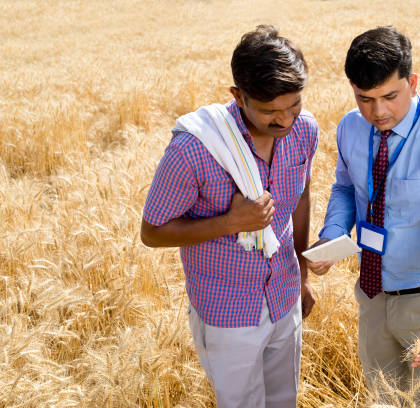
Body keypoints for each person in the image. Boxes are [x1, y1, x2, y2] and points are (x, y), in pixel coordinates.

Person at [140, 25, 318, 408]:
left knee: (285, 399)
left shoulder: (304, 131)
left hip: (284, 294)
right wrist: (230, 223)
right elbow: (152, 232)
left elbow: (301, 197)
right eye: (270, 111)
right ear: (238, 96)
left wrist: (301, 274)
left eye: (294, 105)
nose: (285, 120)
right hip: (227, 309)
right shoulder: (194, 149)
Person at [308, 26, 420, 403]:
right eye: (365, 98)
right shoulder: (351, 127)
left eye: (390, 96)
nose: (378, 111)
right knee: (382, 399)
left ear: (413, 82)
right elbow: (346, 188)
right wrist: (332, 234)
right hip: (371, 296)